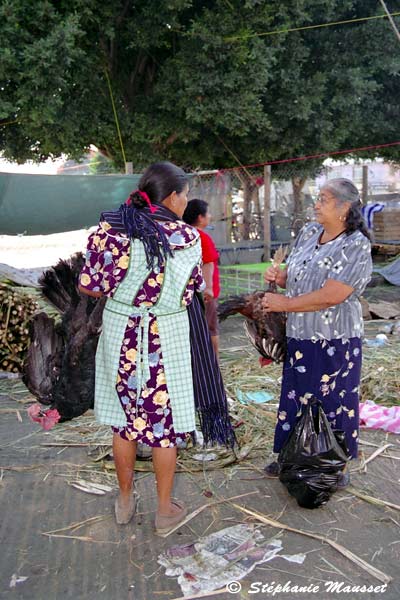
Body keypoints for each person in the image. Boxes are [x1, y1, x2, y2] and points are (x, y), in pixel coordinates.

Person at [78, 162, 234, 532]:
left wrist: (126, 293)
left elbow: (89, 285)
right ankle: (165, 511)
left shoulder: (111, 231)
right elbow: (195, 288)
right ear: (175, 197)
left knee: (123, 422)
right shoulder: (188, 238)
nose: (186, 203)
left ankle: (126, 499)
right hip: (168, 337)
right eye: (184, 195)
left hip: (122, 334)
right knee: (164, 428)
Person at [262, 178, 372, 487]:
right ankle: (292, 458)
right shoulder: (310, 233)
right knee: (297, 396)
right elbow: (298, 277)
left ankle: (331, 466)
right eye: (318, 198)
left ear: (344, 207)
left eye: (323, 199)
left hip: (335, 339)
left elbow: (333, 294)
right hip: (301, 335)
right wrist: (280, 277)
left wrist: (286, 303)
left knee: (333, 400)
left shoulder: (355, 244)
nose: (316, 204)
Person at [183, 199, 221, 358]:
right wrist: (209, 289)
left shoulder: (183, 234)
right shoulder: (202, 238)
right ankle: (214, 362)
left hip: (188, 294)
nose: (210, 216)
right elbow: (208, 263)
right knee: (211, 328)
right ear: (200, 217)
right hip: (204, 294)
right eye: (208, 213)